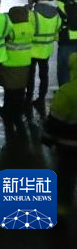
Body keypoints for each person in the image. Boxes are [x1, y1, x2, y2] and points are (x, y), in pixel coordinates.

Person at [42, 52, 77, 217]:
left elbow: (55, 122)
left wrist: (48, 138)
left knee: (65, 177)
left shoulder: (66, 92)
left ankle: (61, 209)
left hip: (68, 146)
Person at [0, 5, 34, 130]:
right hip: (25, 62)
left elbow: (3, 39)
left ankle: (7, 111)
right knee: (20, 89)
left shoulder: (11, 28)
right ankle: (18, 111)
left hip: (10, 62)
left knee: (9, 90)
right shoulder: (30, 27)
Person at [29, 0, 63, 110]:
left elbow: (28, 32)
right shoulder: (57, 15)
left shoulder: (33, 14)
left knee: (30, 75)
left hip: (32, 50)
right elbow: (56, 34)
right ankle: (41, 98)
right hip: (46, 50)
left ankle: (28, 98)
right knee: (44, 75)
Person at [57, 0, 77, 86]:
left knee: (64, 69)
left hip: (66, 41)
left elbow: (57, 23)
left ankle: (64, 92)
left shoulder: (60, 3)